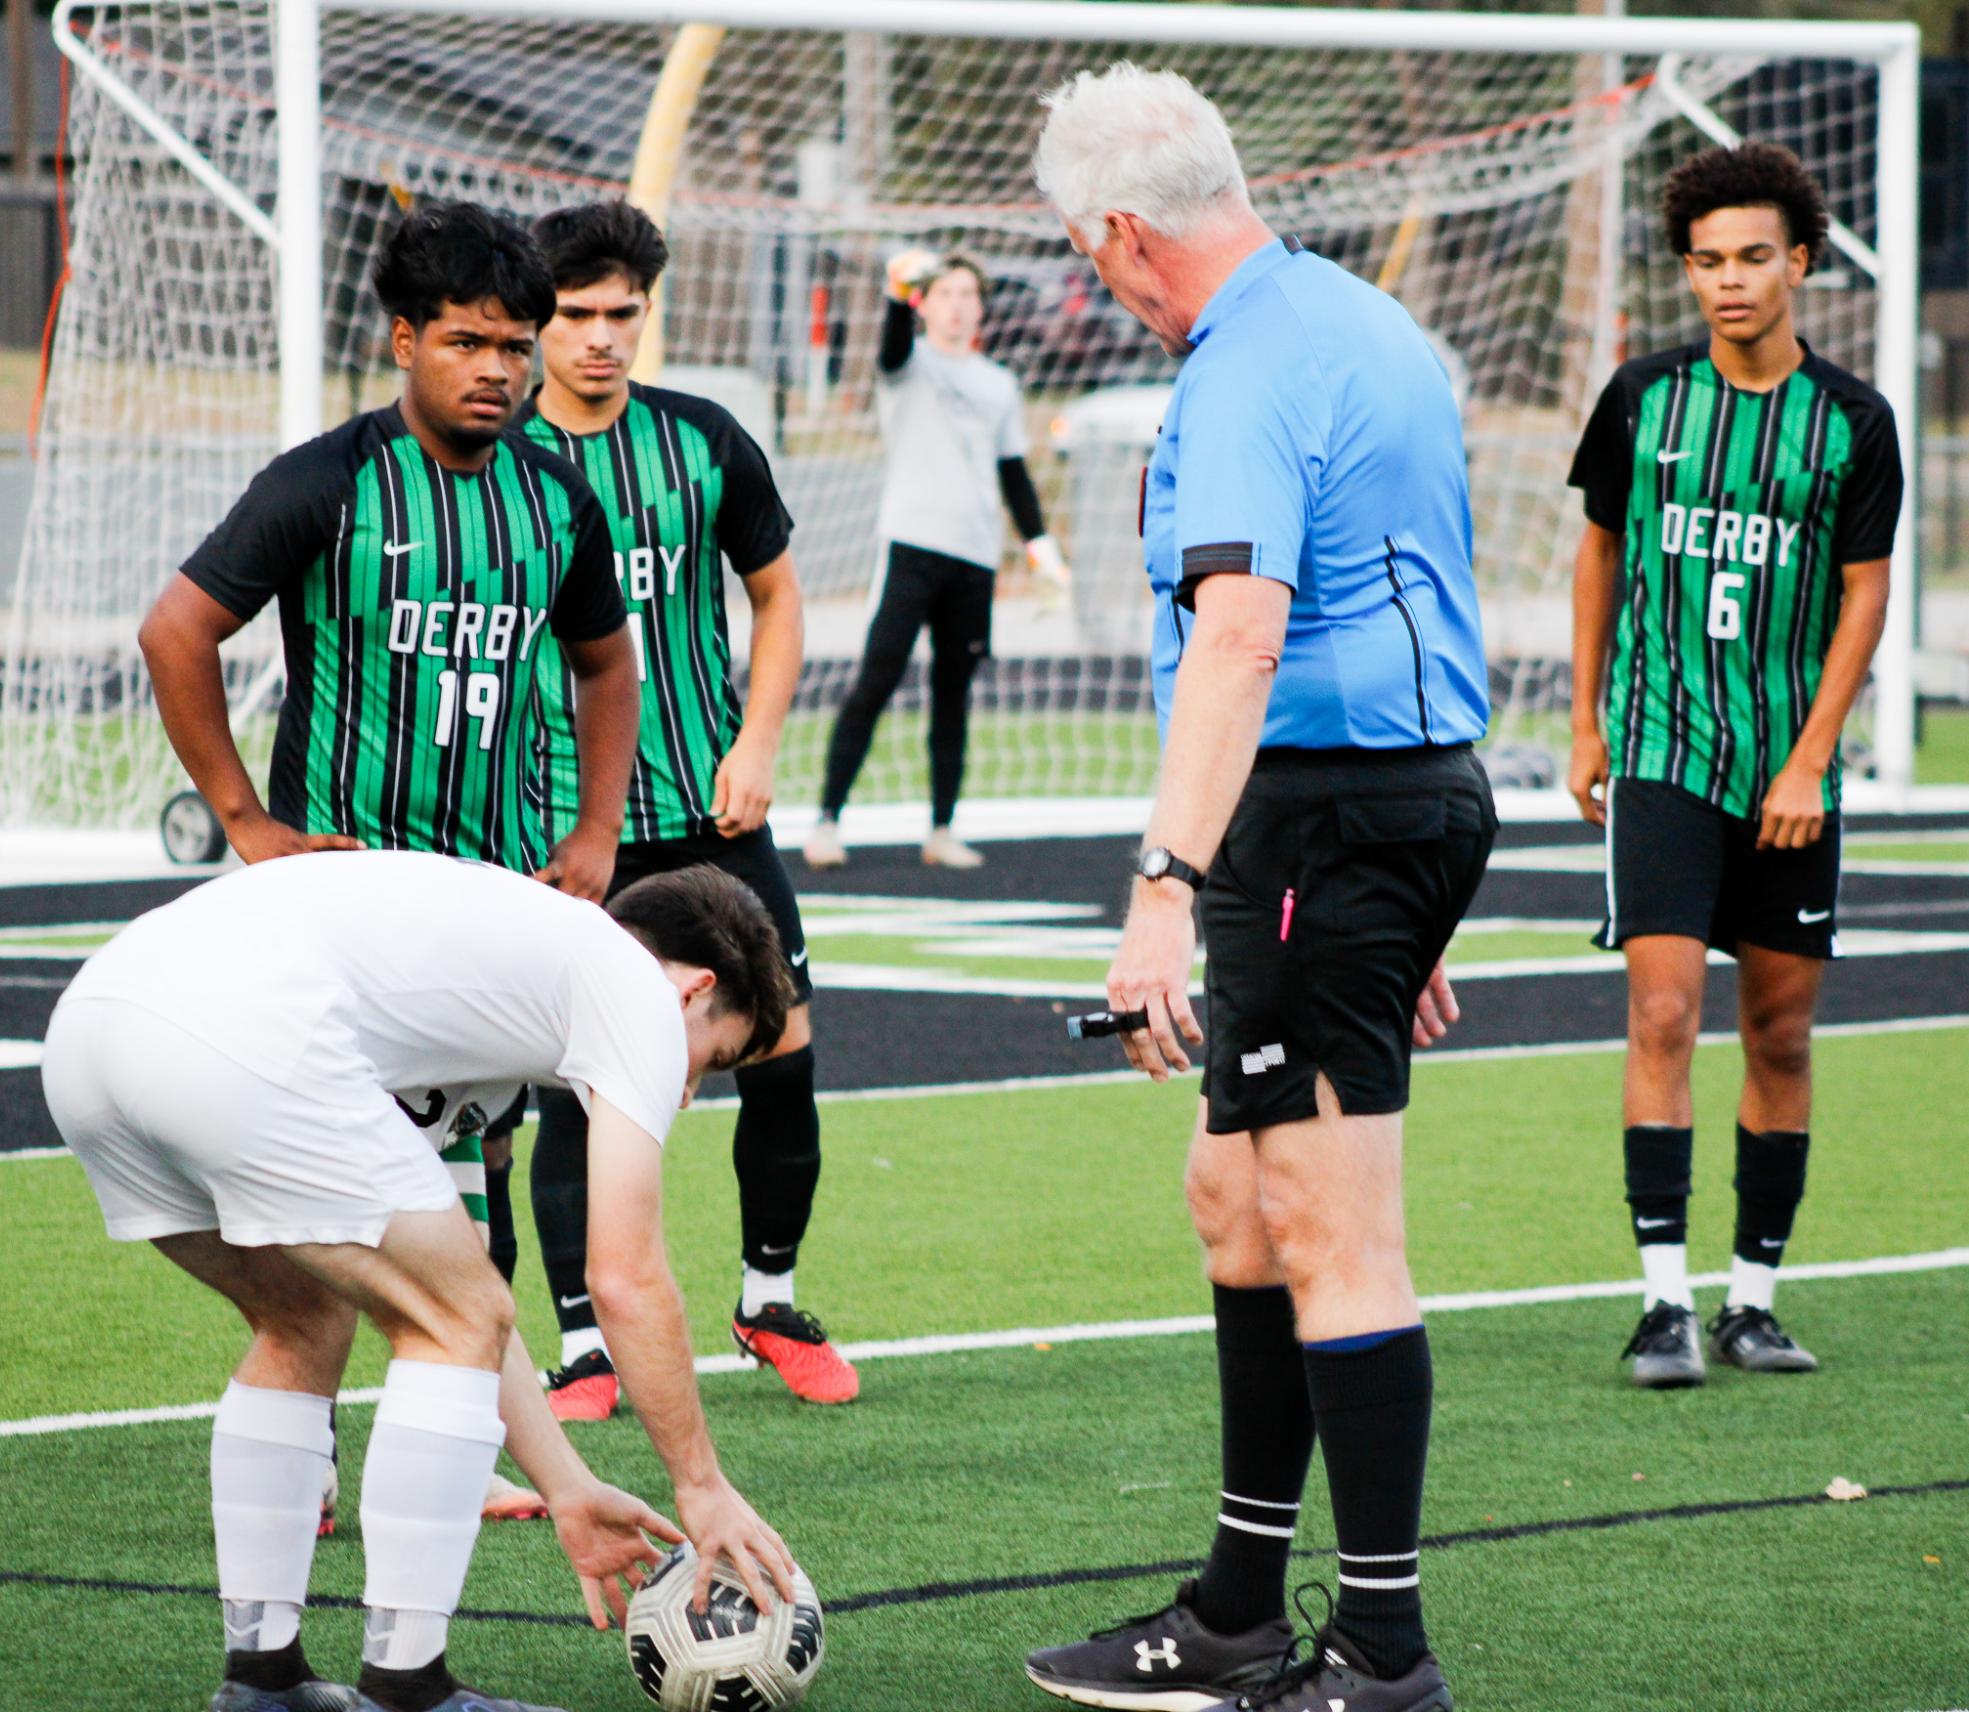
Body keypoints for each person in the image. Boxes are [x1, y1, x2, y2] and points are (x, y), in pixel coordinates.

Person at [1022, 66, 1494, 1712]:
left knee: (1323, 1224)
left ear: (1126, 234)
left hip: (1316, 826)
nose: (1094, 282)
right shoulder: (1356, 320)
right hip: (1378, 819)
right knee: (1232, 1195)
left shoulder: (1238, 374)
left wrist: (1165, 888)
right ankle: (1233, 1610)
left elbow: (1241, 631)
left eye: (1088, 256)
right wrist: (1392, 903)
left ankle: (1379, 1653)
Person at [138, 198, 640, 1524]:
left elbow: (605, 663)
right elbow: (177, 632)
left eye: (515, 345)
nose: (499, 369)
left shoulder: (554, 496)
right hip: (337, 921)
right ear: (404, 339)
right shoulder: (329, 482)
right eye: (469, 341)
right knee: (322, 1215)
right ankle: (306, 1461)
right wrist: (248, 822)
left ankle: (452, 1450)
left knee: (474, 1202)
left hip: (484, 916)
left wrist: (593, 833)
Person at [39, 851, 799, 1712]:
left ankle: (262, 1681)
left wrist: (567, 1488)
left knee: (309, 1319)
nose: (688, 1088)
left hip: (92, 1033)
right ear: (696, 990)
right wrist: (701, 1488)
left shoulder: (501, 1003)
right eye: (712, 1057)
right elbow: (623, 1279)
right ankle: (407, 1688)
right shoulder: (637, 992)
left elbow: (462, 1289)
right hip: (237, 1028)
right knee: (456, 1317)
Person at [1567, 141, 1902, 1388]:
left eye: (1753, 257)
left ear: (1800, 262)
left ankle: (1752, 1300)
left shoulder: (1853, 424)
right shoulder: (1641, 402)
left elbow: (1864, 601)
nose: (1729, 281)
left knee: (1782, 1030)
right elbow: (1599, 552)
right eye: (1707, 261)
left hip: (1787, 769)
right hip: (1662, 751)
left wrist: (1812, 758)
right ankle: (1663, 1302)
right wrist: (1591, 718)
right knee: (1661, 1009)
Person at [513, 200, 858, 1411]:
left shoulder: (704, 441)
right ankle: (583, 1343)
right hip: (566, 820)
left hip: (715, 817)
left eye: (625, 314)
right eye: (577, 316)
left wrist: (758, 739)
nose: (604, 338)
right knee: (572, 1076)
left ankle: (769, 1301)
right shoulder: (495, 463)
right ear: (536, 319)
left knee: (784, 1047)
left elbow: (778, 598)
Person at [803, 248, 1067, 872]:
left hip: (973, 558)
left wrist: (1041, 547)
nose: (959, 306)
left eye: (969, 295)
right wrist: (897, 294)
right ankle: (826, 820)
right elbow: (892, 346)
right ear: (928, 304)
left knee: (955, 694)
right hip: (912, 547)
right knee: (877, 679)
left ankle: (942, 828)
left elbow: (1013, 474)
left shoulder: (999, 384)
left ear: (981, 307)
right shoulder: (909, 365)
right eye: (946, 293)